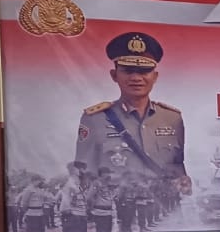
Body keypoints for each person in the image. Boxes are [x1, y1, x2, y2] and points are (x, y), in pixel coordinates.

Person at [75, 31, 192, 214]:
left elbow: (178, 167)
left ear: (155, 76)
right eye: (128, 71)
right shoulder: (95, 119)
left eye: (144, 71)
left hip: (164, 211)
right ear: (114, 75)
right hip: (117, 211)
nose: (136, 78)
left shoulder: (172, 118)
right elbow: (83, 173)